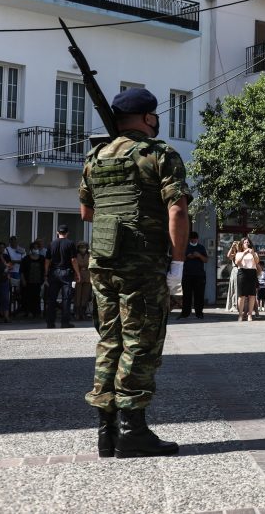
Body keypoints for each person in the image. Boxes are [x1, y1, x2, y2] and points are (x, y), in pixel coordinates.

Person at [80, 87, 191, 458]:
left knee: (109, 341)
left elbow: (87, 213)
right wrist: (177, 264)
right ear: (148, 118)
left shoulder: (95, 157)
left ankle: (106, 432)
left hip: (103, 261)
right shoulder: (158, 154)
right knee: (140, 342)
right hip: (141, 264)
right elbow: (177, 210)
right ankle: (133, 431)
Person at [45, 225, 80, 329]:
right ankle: (65, 322)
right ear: (67, 233)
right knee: (66, 298)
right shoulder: (70, 243)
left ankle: (50, 322)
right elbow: (73, 260)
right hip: (66, 273)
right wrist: (78, 273)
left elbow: (47, 261)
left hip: (54, 272)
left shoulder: (52, 244)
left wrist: (46, 273)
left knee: (52, 298)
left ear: (57, 232)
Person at [179, 231, 208, 320]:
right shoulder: (185, 247)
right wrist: (187, 257)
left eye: (195, 239)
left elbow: (206, 260)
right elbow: (180, 259)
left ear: (197, 239)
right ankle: (185, 313)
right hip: (187, 274)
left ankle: (199, 313)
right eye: (192, 239)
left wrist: (199, 255)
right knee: (186, 295)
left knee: (199, 295)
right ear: (190, 239)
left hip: (199, 275)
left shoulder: (201, 247)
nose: (194, 240)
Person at [234, 237, 260, 321]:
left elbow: (257, 262)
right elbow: (237, 262)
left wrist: (253, 254)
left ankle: (250, 314)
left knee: (252, 295)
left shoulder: (254, 253)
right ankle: (240, 315)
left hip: (252, 272)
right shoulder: (239, 253)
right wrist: (244, 254)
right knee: (241, 295)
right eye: (245, 242)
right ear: (242, 244)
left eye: (248, 242)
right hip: (242, 272)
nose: (247, 243)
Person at [19, 242, 45, 320]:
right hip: (28, 281)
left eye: (37, 248)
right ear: (31, 249)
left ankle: (37, 312)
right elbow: (22, 271)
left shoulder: (42, 258)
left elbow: (45, 270)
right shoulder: (26, 258)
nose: (35, 249)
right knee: (28, 297)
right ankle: (28, 312)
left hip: (38, 281)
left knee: (37, 297)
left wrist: (45, 279)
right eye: (34, 248)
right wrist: (23, 280)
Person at [4, 236, 25, 315]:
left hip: (18, 271)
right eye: (12, 241)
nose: (14, 243)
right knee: (10, 289)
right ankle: (9, 307)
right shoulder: (7, 249)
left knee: (18, 290)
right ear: (10, 242)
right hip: (10, 272)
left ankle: (17, 307)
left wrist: (14, 261)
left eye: (15, 241)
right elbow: (7, 260)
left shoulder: (21, 250)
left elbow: (23, 260)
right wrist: (16, 261)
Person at [74, 242, 92, 321]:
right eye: (81, 247)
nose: (83, 249)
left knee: (85, 295)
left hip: (87, 276)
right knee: (77, 295)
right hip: (78, 275)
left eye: (84, 247)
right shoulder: (76, 255)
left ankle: (83, 312)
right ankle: (77, 313)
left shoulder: (89, 255)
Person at [224, 240, 240, 312]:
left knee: (239, 288)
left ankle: (239, 305)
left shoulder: (241, 253)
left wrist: (238, 248)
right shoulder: (234, 254)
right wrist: (232, 247)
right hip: (235, 270)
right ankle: (233, 305)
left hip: (240, 270)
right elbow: (228, 255)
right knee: (233, 288)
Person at [0, 243, 9, 323]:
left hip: (4, 280)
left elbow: (8, 265)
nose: (2, 249)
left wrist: (1, 257)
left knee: (5, 298)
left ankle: (6, 316)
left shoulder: (5, 256)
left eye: (3, 248)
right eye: (0, 247)